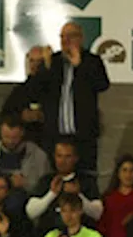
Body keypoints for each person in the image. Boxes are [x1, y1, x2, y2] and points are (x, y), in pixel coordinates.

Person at [26, 23, 111, 177]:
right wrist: (40, 68)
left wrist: (79, 65)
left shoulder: (92, 61)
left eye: (71, 36)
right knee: (53, 177)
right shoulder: (53, 61)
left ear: (81, 38)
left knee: (85, 177)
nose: (66, 40)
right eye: (63, 36)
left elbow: (102, 85)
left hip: (83, 136)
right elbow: (34, 93)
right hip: (54, 135)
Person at [0, 116, 51, 198]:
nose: (10, 141)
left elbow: (44, 186)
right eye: (6, 137)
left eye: (14, 138)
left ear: (22, 133)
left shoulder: (38, 155)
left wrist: (25, 184)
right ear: (0, 133)